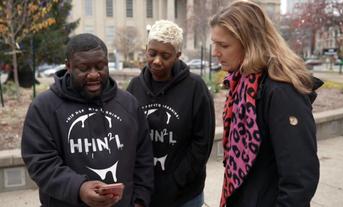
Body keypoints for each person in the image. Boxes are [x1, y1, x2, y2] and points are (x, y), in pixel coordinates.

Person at [210, 1, 322, 207]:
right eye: (214, 43)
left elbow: (299, 179)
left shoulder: (282, 92)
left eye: (223, 45)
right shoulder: (242, 83)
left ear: (251, 43)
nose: (215, 52)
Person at [21, 33, 154, 207]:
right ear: (68, 66)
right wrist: (79, 188)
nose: (93, 75)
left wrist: (139, 200)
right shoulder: (44, 107)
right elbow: (40, 162)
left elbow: (144, 157)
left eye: (100, 66)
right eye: (84, 68)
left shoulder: (128, 104)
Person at [127, 20, 215, 207]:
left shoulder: (195, 88)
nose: (157, 60)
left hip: (184, 195)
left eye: (165, 55)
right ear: (146, 50)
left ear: (178, 55)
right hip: (144, 192)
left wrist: (176, 181)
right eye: (152, 53)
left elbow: (202, 143)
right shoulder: (135, 87)